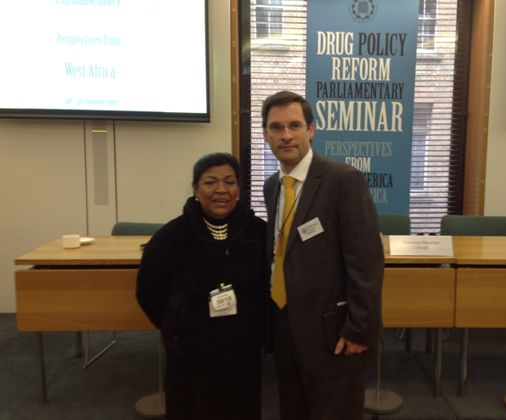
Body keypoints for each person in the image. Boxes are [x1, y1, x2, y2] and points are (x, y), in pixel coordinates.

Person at [262, 90, 384, 420]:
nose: (286, 135)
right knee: (293, 409)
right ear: (266, 134)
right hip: (285, 324)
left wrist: (360, 329)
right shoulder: (272, 186)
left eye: (294, 125)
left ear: (311, 130)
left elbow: (366, 262)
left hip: (334, 332)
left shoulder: (343, 180)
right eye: (276, 127)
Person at [136, 153, 267, 420]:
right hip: (190, 355)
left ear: (239, 188)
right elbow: (149, 292)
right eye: (210, 182)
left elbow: (269, 287)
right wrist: (177, 327)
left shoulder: (258, 232)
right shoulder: (171, 237)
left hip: (243, 354)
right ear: (196, 188)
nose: (221, 190)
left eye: (229, 181)